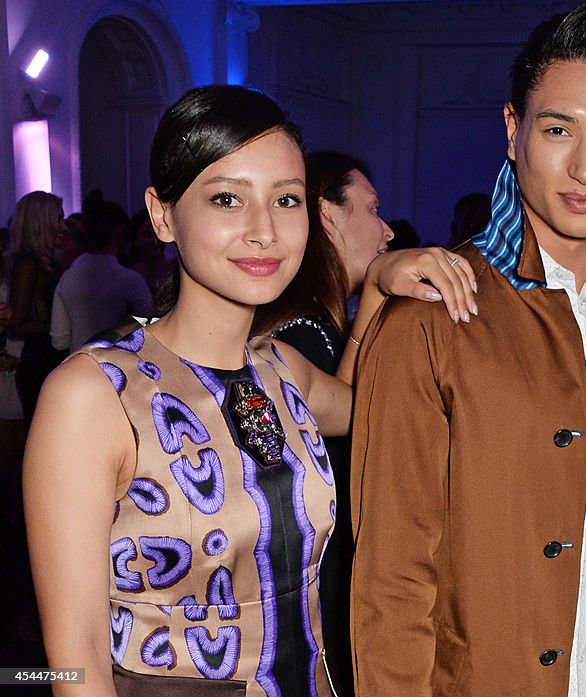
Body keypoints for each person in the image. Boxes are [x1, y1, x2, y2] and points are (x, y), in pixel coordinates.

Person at [23, 85, 476, 697]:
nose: (264, 231)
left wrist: (377, 286)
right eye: (228, 198)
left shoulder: (282, 369)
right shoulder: (94, 395)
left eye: (285, 200)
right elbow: (72, 657)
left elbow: (375, 406)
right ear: (162, 215)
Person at [350, 2, 586, 696]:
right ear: (513, 130)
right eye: (558, 129)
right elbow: (392, 581)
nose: (585, 167)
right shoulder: (430, 320)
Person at [250, 149, 398, 695]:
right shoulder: (299, 336)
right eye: (372, 208)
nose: (386, 231)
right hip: (292, 611)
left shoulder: (311, 329)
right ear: (328, 215)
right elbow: (357, 423)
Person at [50, 200, 152, 353]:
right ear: (121, 232)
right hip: (116, 369)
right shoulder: (129, 280)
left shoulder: (68, 277)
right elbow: (152, 328)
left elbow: (60, 341)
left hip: (77, 368)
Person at [8, 191, 65, 424]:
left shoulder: (47, 261)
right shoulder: (27, 264)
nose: (63, 225)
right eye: (58, 219)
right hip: (39, 361)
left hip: (50, 356)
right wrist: (58, 328)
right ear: (42, 223)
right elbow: (17, 324)